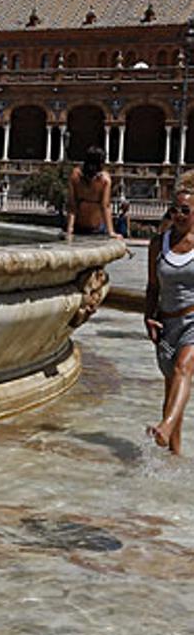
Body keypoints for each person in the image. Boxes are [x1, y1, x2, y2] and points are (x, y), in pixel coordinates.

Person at [146, 182, 194, 454]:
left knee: (183, 369)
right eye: (174, 209)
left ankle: (164, 427)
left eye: (185, 210)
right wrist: (148, 318)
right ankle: (175, 455)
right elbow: (153, 287)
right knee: (173, 389)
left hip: (193, 321)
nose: (179, 215)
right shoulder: (158, 244)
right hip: (167, 323)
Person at [66, 145, 119, 240]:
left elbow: (72, 205)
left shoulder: (76, 176)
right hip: (91, 227)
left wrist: (70, 229)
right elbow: (105, 206)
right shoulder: (104, 180)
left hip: (87, 226)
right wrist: (111, 231)